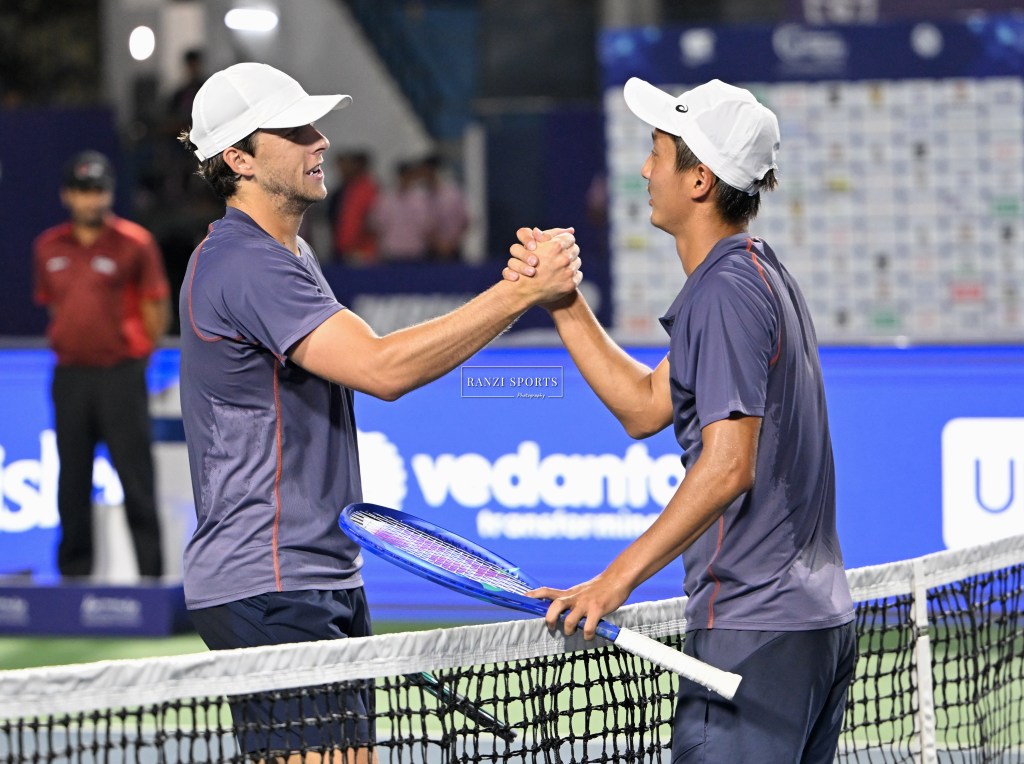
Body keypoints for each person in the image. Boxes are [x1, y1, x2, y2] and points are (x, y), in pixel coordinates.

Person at [176, 62, 580, 762]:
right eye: (294, 130)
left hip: (319, 572)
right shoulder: (244, 264)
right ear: (239, 159)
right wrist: (519, 292)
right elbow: (382, 368)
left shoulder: (290, 253)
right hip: (269, 579)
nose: (320, 140)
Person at [506, 78, 856, 763]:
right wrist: (562, 299)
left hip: (755, 633)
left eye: (658, 152)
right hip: (808, 631)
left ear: (700, 180)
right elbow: (643, 406)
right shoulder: (754, 277)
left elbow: (728, 466)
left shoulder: (724, 293)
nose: (644, 169)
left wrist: (614, 579)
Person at [32, 150, 170, 580]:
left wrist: (135, 360)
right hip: (70, 376)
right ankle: (73, 579)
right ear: (67, 195)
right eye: (82, 191)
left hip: (120, 376)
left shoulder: (135, 243)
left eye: (98, 190)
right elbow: (55, 306)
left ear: (110, 193)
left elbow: (156, 307)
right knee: (71, 480)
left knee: (136, 478)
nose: (91, 199)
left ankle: (150, 578)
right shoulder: (47, 246)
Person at [369, 160, 433, 262]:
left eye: (408, 175)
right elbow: (377, 224)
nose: (405, 178)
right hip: (391, 251)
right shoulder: (386, 198)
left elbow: (428, 225)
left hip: (416, 251)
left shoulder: (423, 198)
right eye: (403, 175)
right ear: (398, 176)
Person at [329, 150, 378, 265]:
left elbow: (372, 222)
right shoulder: (344, 189)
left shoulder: (368, 189)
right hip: (342, 248)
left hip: (361, 251)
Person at [419, 153, 469, 262]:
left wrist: (450, 244)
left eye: (429, 172)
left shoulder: (452, 193)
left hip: (452, 249)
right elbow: (420, 225)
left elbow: (464, 221)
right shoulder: (419, 196)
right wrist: (435, 243)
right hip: (429, 250)